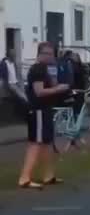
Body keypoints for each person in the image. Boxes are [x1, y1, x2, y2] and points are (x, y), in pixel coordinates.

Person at [18, 42, 70, 189]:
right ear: (40, 54)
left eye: (52, 53)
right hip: (38, 110)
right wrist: (59, 88)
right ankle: (25, 177)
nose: (52, 56)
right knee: (36, 143)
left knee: (47, 143)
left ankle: (48, 175)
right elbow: (39, 92)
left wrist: (55, 83)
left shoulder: (46, 69)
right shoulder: (38, 69)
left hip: (46, 109)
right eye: (48, 54)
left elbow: (51, 85)